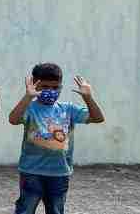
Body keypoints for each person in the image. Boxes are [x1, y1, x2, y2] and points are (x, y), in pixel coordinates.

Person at [8, 63, 105, 214]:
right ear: (35, 84)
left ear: (60, 86)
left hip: (59, 174)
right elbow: (13, 119)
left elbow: (98, 118)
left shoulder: (68, 109)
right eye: (45, 87)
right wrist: (27, 97)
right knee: (25, 209)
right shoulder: (30, 108)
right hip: (31, 172)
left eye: (55, 87)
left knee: (56, 210)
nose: (50, 91)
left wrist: (88, 97)